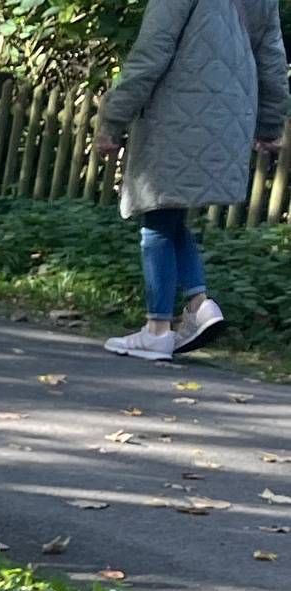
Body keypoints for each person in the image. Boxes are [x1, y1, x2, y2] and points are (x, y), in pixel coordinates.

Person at [94, 0, 286, 360]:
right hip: (229, 115)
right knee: (170, 213)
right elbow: (271, 55)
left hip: (176, 112)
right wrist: (271, 123)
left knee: (157, 217)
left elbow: (152, 51)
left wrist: (113, 119)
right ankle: (198, 304)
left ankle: (157, 329)